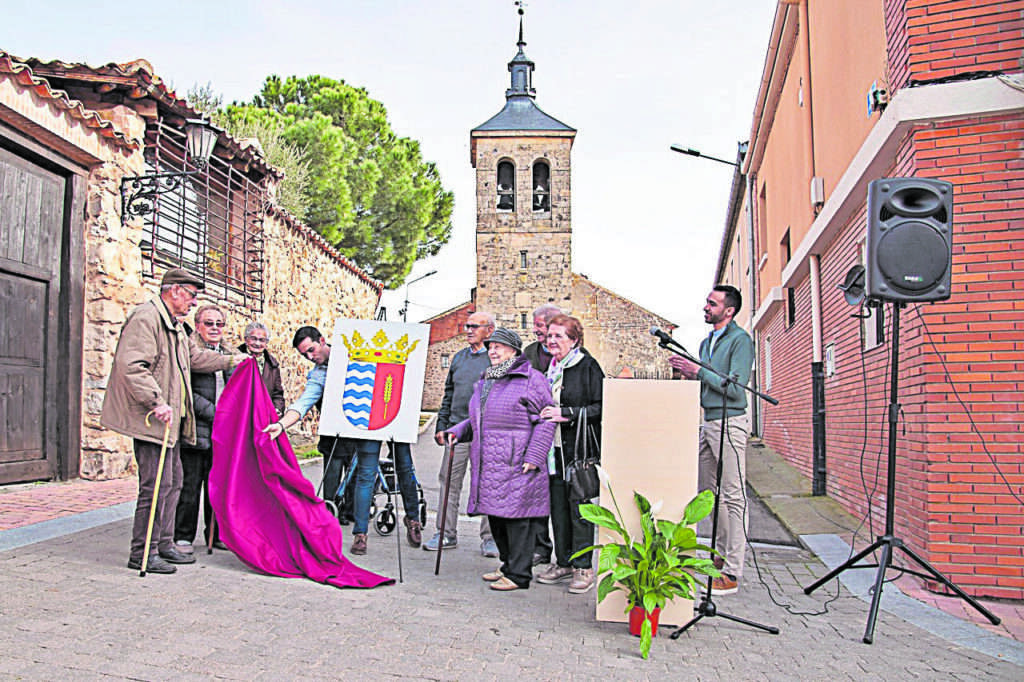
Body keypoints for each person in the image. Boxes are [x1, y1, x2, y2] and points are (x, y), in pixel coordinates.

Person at [101, 268, 245, 574]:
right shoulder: (146, 318)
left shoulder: (176, 326)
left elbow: (195, 359)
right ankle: (143, 552)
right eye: (191, 295)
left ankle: (164, 544)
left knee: (173, 483)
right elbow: (132, 366)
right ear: (175, 290)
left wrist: (233, 360)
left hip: (172, 424)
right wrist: (156, 401)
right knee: (154, 487)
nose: (193, 302)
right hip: (152, 419)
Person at [263, 326, 423, 556]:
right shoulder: (319, 373)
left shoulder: (353, 353)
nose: (310, 357)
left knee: (405, 468)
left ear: (322, 340)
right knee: (366, 475)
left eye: (311, 350)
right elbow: (304, 402)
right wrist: (281, 425)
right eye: (304, 354)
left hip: (393, 418)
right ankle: (360, 534)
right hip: (365, 424)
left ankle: (413, 519)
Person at [444, 328, 556, 591]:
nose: (492, 351)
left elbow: (546, 419)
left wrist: (535, 455)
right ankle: (508, 565)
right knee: (497, 518)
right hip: (490, 462)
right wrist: (457, 431)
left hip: (518, 462)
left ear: (514, 351)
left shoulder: (531, 379)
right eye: (491, 347)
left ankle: (519, 575)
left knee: (517, 521)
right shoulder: (487, 379)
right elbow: (479, 419)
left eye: (499, 347)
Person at [668, 285, 754, 596]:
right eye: (707, 302)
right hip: (708, 422)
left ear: (728, 311)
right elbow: (709, 381)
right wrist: (689, 373)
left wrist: (699, 371)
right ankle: (719, 554)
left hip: (730, 422)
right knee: (709, 493)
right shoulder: (707, 342)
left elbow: (735, 388)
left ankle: (732, 571)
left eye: (712, 303)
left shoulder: (740, 340)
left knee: (733, 496)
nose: (706, 307)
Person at [535, 314, 605, 594]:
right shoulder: (550, 367)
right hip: (552, 451)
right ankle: (563, 562)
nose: (551, 340)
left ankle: (583, 567)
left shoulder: (587, 366)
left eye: (558, 336)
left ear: (574, 340)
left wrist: (567, 413)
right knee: (558, 509)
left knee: (580, 509)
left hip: (578, 451)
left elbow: (602, 406)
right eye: (549, 335)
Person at [426, 311, 497, 555]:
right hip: (456, 431)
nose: (468, 330)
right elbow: (448, 394)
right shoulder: (458, 358)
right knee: (448, 482)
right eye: (467, 326)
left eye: (474, 326)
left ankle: (490, 538)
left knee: (487, 485)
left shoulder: (496, 359)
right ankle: (445, 533)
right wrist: (441, 425)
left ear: (489, 330)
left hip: (486, 433)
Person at [173, 304, 231, 554]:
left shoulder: (228, 354)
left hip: (221, 434)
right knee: (189, 487)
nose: (215, 328)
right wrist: (215, 413)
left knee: (216, 488)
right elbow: (186, 392)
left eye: (219, 323)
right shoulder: (189, 351)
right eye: (209, 323)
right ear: (198, 326)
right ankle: (182, 536)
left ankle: (215, 535)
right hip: (195, 430)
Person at [521, 303, 561, 566]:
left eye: (539, 327)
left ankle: (566, 558)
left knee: (559, 497)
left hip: (561, 433)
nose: (536, 333)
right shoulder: (530, 352)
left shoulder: (572, 354)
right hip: (535, 429)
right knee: (535, 492)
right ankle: (539, 548)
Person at [239, 321, 286, 417]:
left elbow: (277, 394)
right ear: (246, 340)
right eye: (253, 339)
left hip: (262, 416)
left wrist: (277, 409)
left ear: (266, 343)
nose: (257, 343)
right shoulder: (235, 359)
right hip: (240, 415)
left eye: (262, 340)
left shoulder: (272, 365)